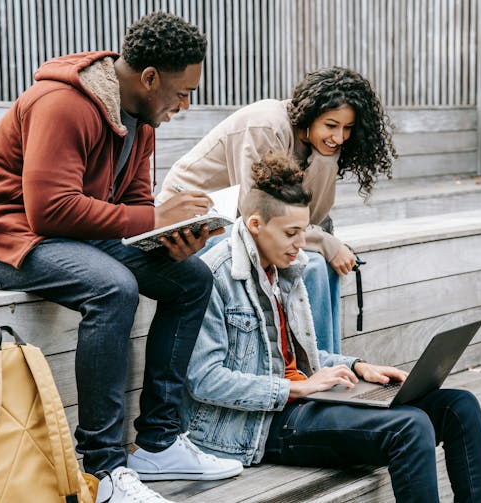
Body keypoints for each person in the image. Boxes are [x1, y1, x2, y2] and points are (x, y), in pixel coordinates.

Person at [0, 12, 242, 503]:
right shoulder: (63, 103)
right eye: (182, 92)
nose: (185, 105)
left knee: (190, 279)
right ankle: (103, 470)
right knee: (113, 287)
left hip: (67, 235)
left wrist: (172, 235)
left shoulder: (142, 119)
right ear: (149, 79)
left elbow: (137, 204)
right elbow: (49, 209)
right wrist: (151, 219)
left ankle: (159, 445)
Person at [180, 152, 481, 502]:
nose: (301, 245)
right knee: (411, 426)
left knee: (459, 406)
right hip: (260, 426)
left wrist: (358, 367)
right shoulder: (214, 275)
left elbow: (298, 358)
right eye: (291, 233)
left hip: (304, 402)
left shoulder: (284, 268)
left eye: (304, 231)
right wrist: (297, 389)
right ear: (255, 224)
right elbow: (204, 379)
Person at [157, 66, 397, 354]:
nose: (340, 137)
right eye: (331, 125)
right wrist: (325, 242)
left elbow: (312, 217)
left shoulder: (318, 142)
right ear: (310, 114)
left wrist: (324, 160)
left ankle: (327, 366)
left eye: (347, 129)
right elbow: (254, 214)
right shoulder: (267, 127)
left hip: (246, 223)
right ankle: (313, 377)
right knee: (311, 266)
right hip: (197, 222)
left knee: (324, 266)